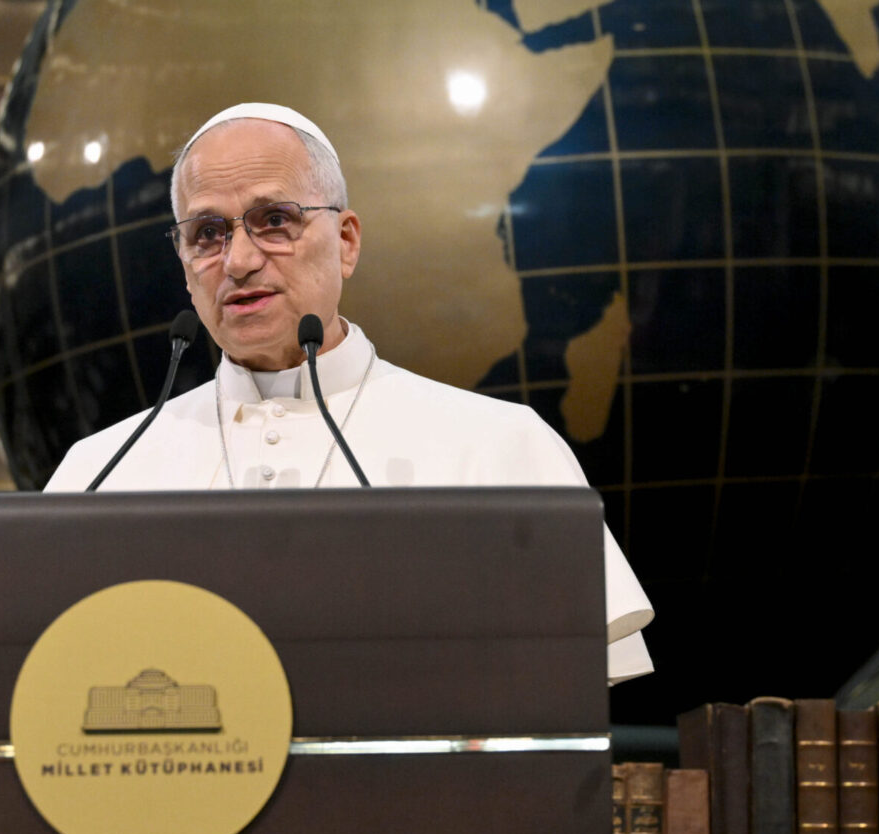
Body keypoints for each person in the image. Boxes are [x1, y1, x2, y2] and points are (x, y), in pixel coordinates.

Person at [44, 102, 653, 684]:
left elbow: (563, 701)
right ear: (184, 264)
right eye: (207, 233)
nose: (240, 261)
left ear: (347, 242)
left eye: (275, 220)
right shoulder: (100, 472)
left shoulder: (501, 446)